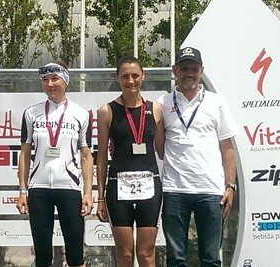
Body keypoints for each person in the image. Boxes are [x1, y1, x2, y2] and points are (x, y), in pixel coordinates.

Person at [156, 47, 238, 266]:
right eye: (184, 68)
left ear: (202, 70)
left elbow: (227, 147)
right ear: (175, 71)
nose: (189, 73)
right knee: (176, 259)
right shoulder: (162, 103)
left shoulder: (216, 102)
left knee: (211, 258)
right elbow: (158, 146)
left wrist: (230, 186)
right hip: (175, 190)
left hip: (211, 191)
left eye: (194, 68)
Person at [16, 61, 94, 267]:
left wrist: (87, 192)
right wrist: (23, 190)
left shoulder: (82, 114)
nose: (49, 84)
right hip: (39, 188)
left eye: (54, 79)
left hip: (68, 187)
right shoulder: (31, 113)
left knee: (76, 254)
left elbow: (86, 155)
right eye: (45, 80)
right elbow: (24, 154)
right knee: (42, 255)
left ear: (65, 81)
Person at [95, 55, 163, 267]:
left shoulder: (156, 109)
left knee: (145, 254)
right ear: (117, 78)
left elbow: (163, 150)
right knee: (124, 254)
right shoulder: (106, 111)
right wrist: (100, 197)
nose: (131, 81)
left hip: (149, 186)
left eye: (135, 75)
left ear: (143, 76)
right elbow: (101, 157)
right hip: (118, 187)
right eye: (125, 76)